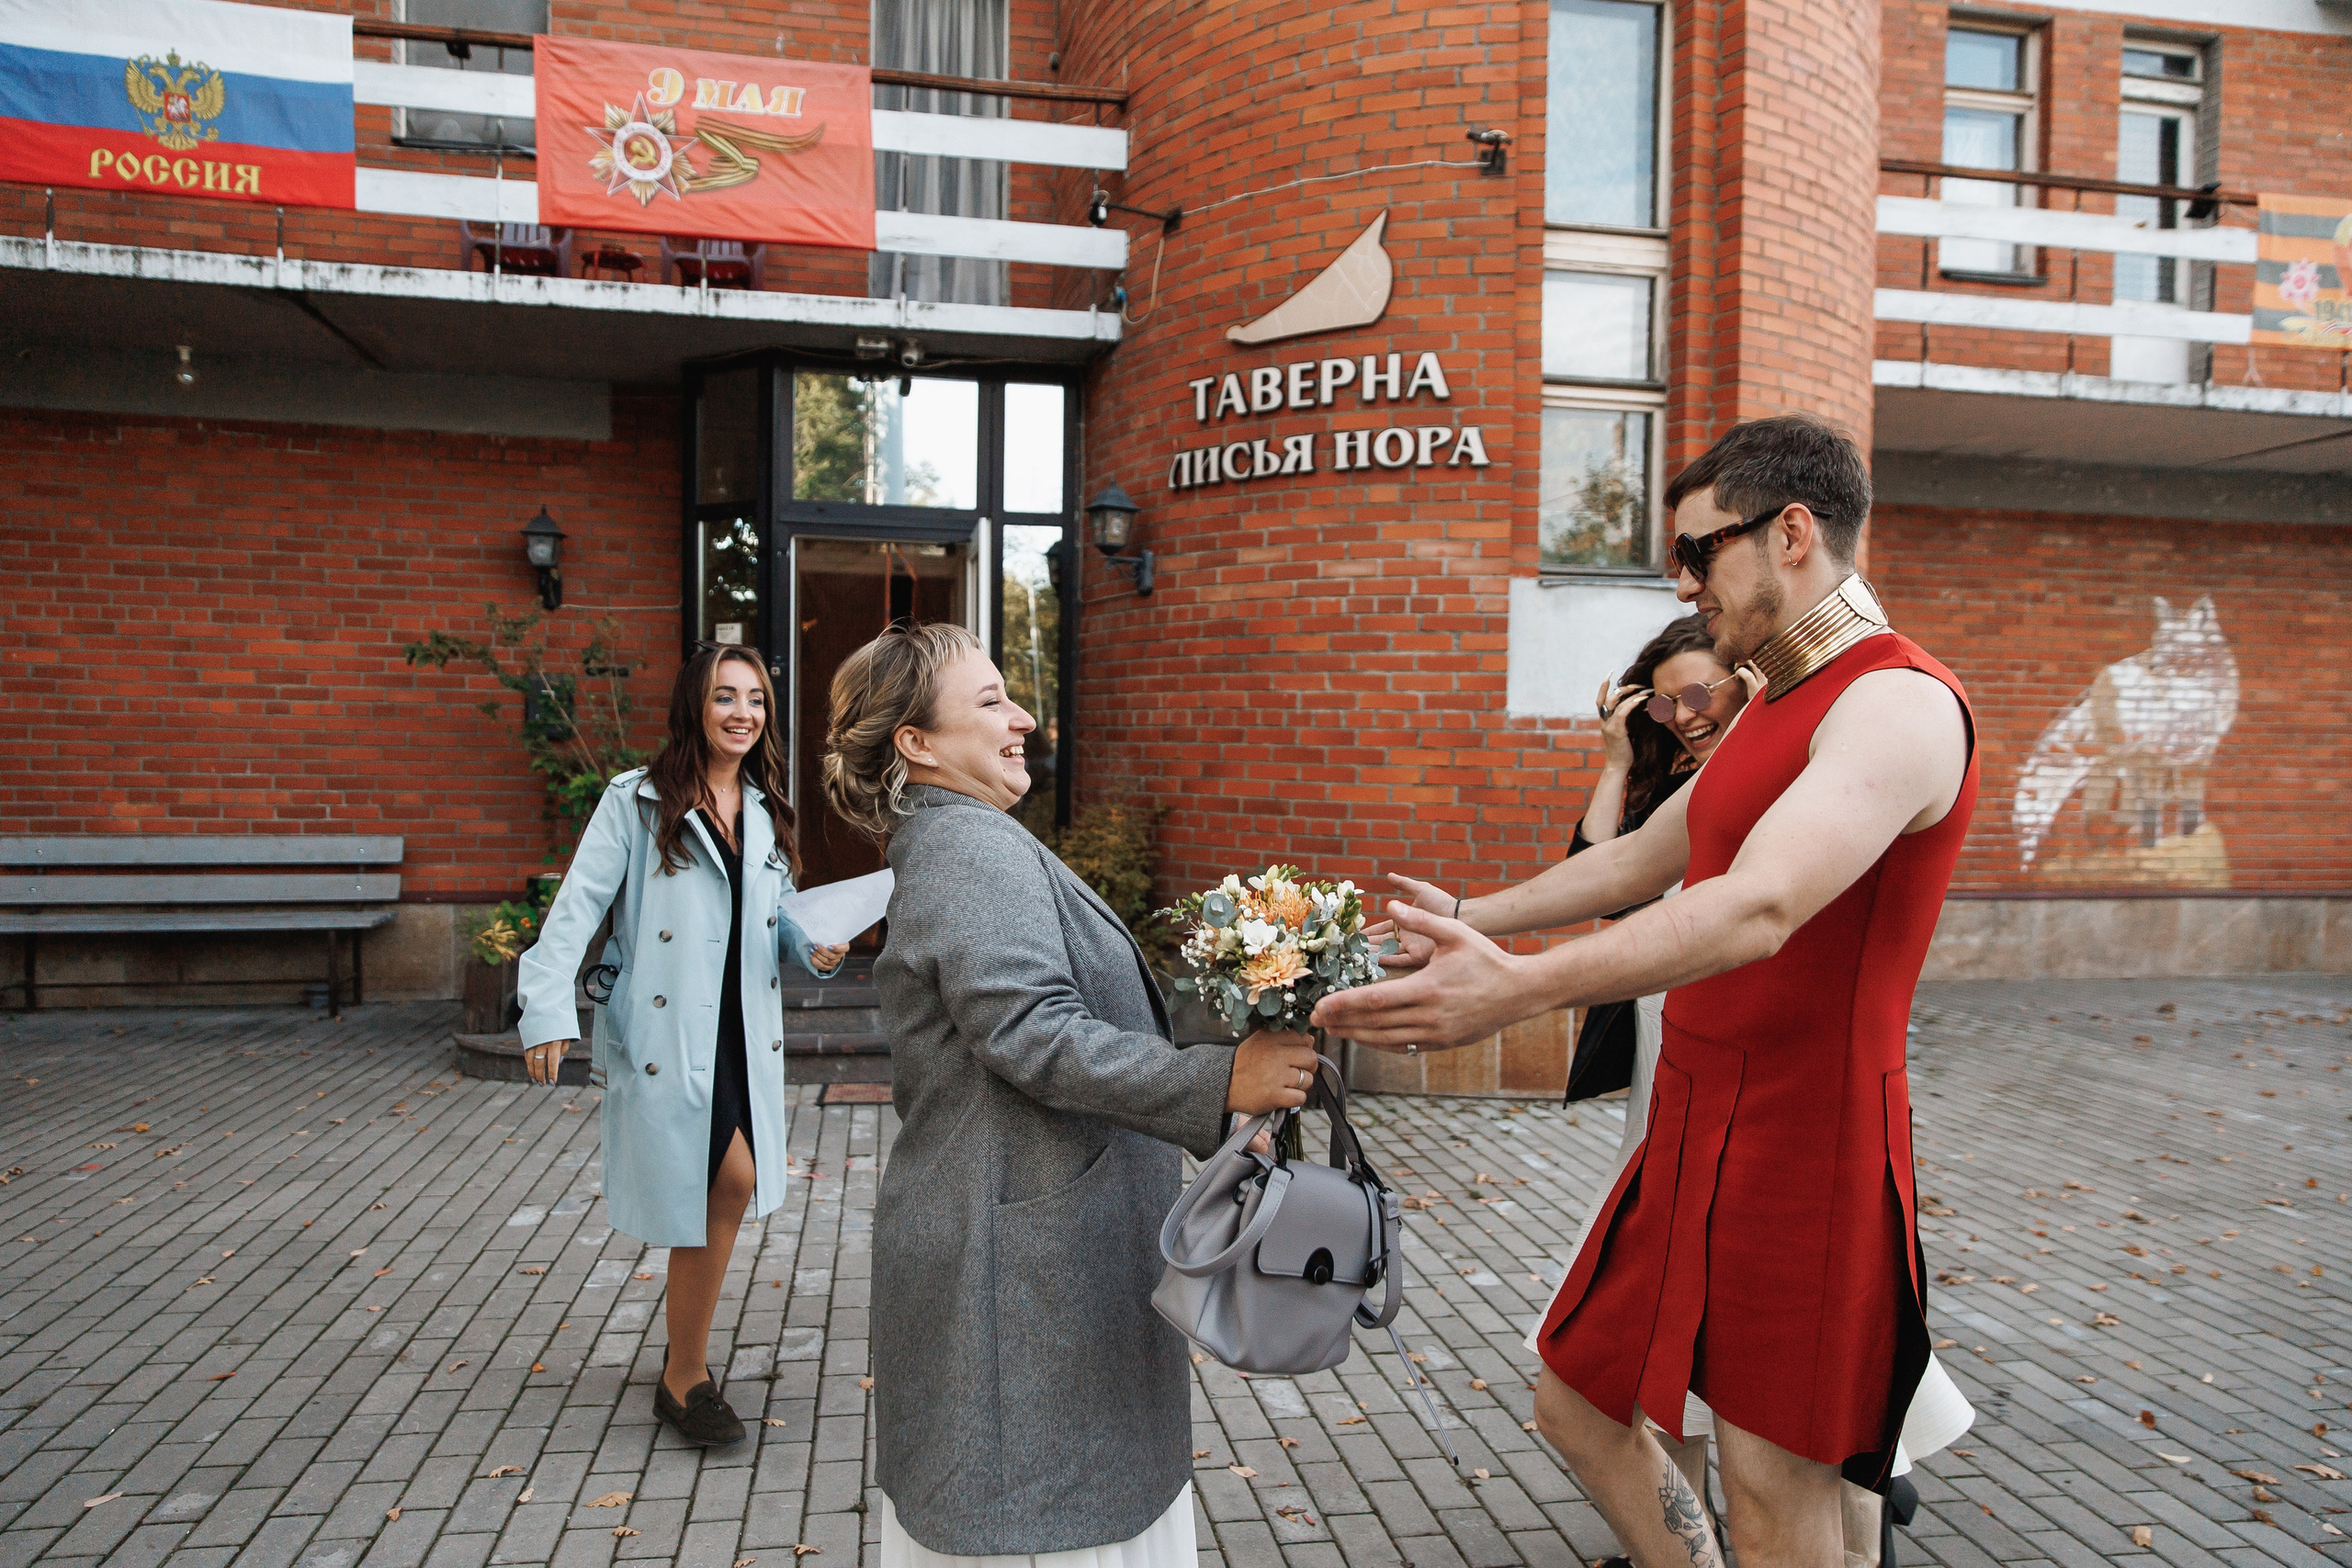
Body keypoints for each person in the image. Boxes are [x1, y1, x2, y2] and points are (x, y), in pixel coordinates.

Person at [1317, 415, 1979, 1568]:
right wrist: (1464, 921)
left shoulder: (1899, 702)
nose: (1679, 583)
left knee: (1777, 1496)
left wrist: (1516, 991)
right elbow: (1640, 858)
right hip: (1690, 1119)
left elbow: (1756, 907)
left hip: (1806, 1141)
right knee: (1577, 1405)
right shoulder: (1774, 696)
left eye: (1697, 552)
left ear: (1790, 532)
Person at [820, 621, 1321, 1567]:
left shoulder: (969, 836)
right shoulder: (969, 848)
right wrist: (1219, 1081)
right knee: (1040, 1526)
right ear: (916, 745)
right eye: (989, 702)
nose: (1022, 717)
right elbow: (1031, 1033)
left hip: (1026, 1267)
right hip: (1016, 1280)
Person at [516, 644, 849, 1446]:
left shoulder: (766, 807)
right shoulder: (637, 801)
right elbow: (577, 907)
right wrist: (546, 1006)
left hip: (740, 1022)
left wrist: (811, 944)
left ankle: (684, 1364)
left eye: (758, 700)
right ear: (696, 707)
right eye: (727, 697)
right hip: (671, 1027)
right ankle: (684, 1377)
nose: (744, 713)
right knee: (724, 1180)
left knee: (724, 1185)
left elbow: (771, 913)